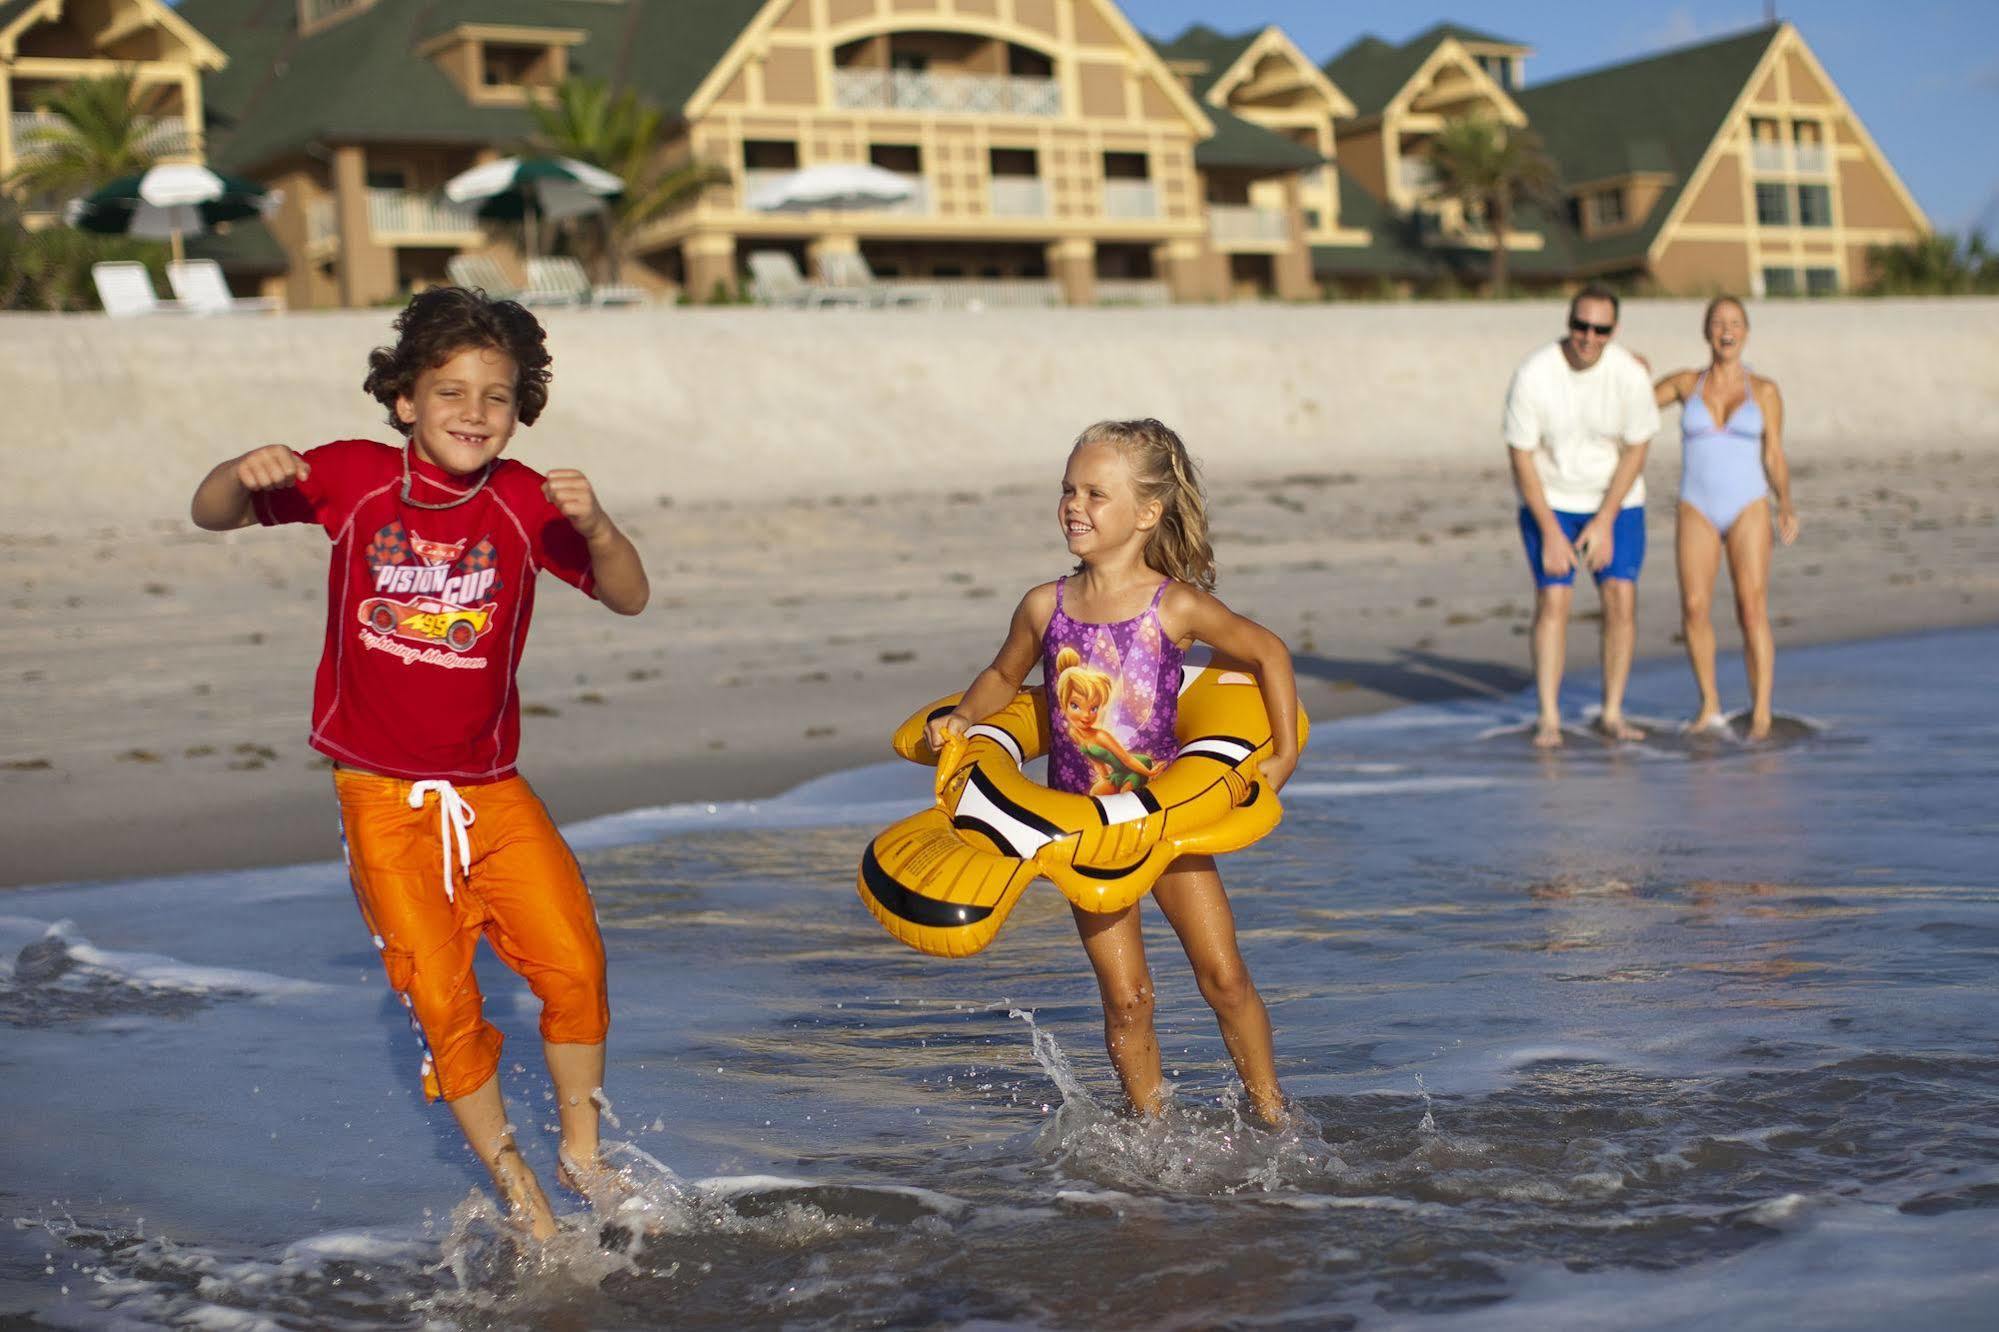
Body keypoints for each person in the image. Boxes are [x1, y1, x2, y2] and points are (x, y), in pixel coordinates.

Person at [188, 286, 650, 1240]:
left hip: (491, 790)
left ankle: (582, 1152)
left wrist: (599, 527)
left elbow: (628, 597)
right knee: (442, 994)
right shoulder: (354, 478)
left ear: (522, 409)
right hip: (380, 797)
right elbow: (212, 514)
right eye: (449, 391)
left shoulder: (524, 501)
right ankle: (514, 1176)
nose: (473, 412)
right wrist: (240, 470)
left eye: (496, 395)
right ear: (404, 399)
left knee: (574, 962)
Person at [925, 419, 1300, 1126]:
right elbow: (1005, 675)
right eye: (1068, 490)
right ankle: (1149, 1128)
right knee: (1126, 998)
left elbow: (1268, 652)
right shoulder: (1046, 605)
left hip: (1166, 825)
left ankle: (1272, 1114)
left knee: (1222, 977)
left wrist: (1281, 756)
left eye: (1096, 494)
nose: (1074, 505)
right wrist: (966, 720)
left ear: (1146, 513)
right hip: (1087, 837)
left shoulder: (1175, 604)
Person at [1504, 284, 1662, 747]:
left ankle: (1612, 712)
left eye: (1600, 329)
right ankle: (1549, 717)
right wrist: (1551, 531)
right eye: (1580, 325)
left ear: (1613, 331)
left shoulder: (1628, 374)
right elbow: (1521, 455)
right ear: (1568, 323)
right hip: (1549, 499)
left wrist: (1606, 519)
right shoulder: (1534, 373)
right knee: (1554, 601)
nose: (1588, 337)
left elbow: (1638, 447)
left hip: (1616, 499)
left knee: (1620, 597)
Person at [1653, 296, 1798, 739]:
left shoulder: (1765, 391)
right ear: (1706, 332)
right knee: (1694, 608)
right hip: (1695, 506)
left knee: (1751, 608)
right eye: (1717, 323)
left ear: (1746, 332)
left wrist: (1786, 502)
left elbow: (1773, 453)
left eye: (1734, 323)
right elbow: (1633, 403)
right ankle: (1710, 705)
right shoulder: (1684, 384)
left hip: (1749, 506)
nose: (1726, 330)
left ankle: (1760, 713)